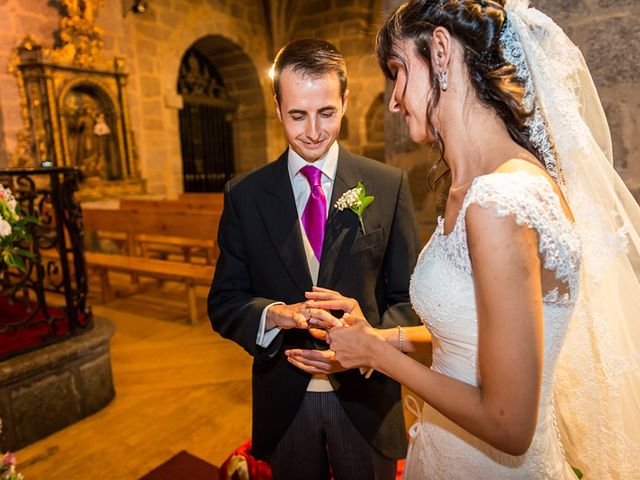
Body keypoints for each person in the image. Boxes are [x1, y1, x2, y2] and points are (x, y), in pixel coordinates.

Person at [289, 0, 640, 478]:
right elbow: (470, 340)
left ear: (439, 51)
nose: (393, 100)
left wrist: (373, 357)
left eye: (397, 71)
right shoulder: (478, 187)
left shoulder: (501, 198)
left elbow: (508, 423)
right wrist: (383, 337)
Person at [207, 38, 422, 480]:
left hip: (367, 398)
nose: (313, 131)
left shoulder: (388, 185)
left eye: (326, 112)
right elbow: (225, 301)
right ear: (277, 106)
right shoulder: (245, 195)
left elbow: (408, 298)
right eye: (297, 115)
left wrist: (369, 345)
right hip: (285, 401)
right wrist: (273, 315)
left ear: (345, 100)